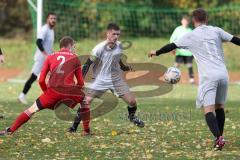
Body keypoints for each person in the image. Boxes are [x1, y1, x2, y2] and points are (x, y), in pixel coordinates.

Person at [148, 8, 240, 151]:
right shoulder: (216, 30)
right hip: (223, 74)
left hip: (209, 76)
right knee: (219, 107)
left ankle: (219, 138)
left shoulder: (190, 35)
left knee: (208, 109)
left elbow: (172, 46)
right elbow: (236, 40)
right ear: (207, 19)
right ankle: (219, 139)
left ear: (193, 21)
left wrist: (156, 52)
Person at [0, 36, 89, 135]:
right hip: (69, 92)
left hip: (52, 93)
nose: (74, 49)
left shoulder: (50, 57)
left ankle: (10, 130)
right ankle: (86, 131)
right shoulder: (75, 58)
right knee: (85, 102)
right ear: (70, 46)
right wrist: (74, 97)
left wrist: (46, 92)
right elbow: (81, 83)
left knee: (31, 110)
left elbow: (41, 80)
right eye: (74, 47)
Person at [68, 23, 144, 133]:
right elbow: (87, 64)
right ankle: (73, 127)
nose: (116, 37)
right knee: (86, 102)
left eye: (118, 34)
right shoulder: (98, 49)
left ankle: (131, 117)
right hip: (100, 80)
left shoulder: (119, 46)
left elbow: (118, 59)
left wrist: (124, 67)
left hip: (116, 80)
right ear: (107, 34)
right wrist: (80, 81)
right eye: (114, 34)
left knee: (132, 101)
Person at [18, 12, 57, 104]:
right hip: (41, 59)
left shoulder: (51, 30)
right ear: (47, 19)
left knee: (53, 76)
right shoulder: (44, 29)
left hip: (48, 59)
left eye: (55, 19)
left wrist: (52, 54)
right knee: (33, 77)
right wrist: (44, 54)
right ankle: (22, 96)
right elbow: (38, 42)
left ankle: (52, 97)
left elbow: (48, 45)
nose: (53, 20)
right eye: (51, 18)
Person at [170, 16, 195, 84]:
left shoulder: (190, 30)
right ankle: (172, 78)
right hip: (179, 51)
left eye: (187, 21)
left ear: (188, 22)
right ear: (182, 21)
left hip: (188, 52)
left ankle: (191, 79)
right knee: (176, 65)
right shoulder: (178, 29)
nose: (185, 22)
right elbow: (172, 38)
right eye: (184, 21)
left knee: (189, 65)